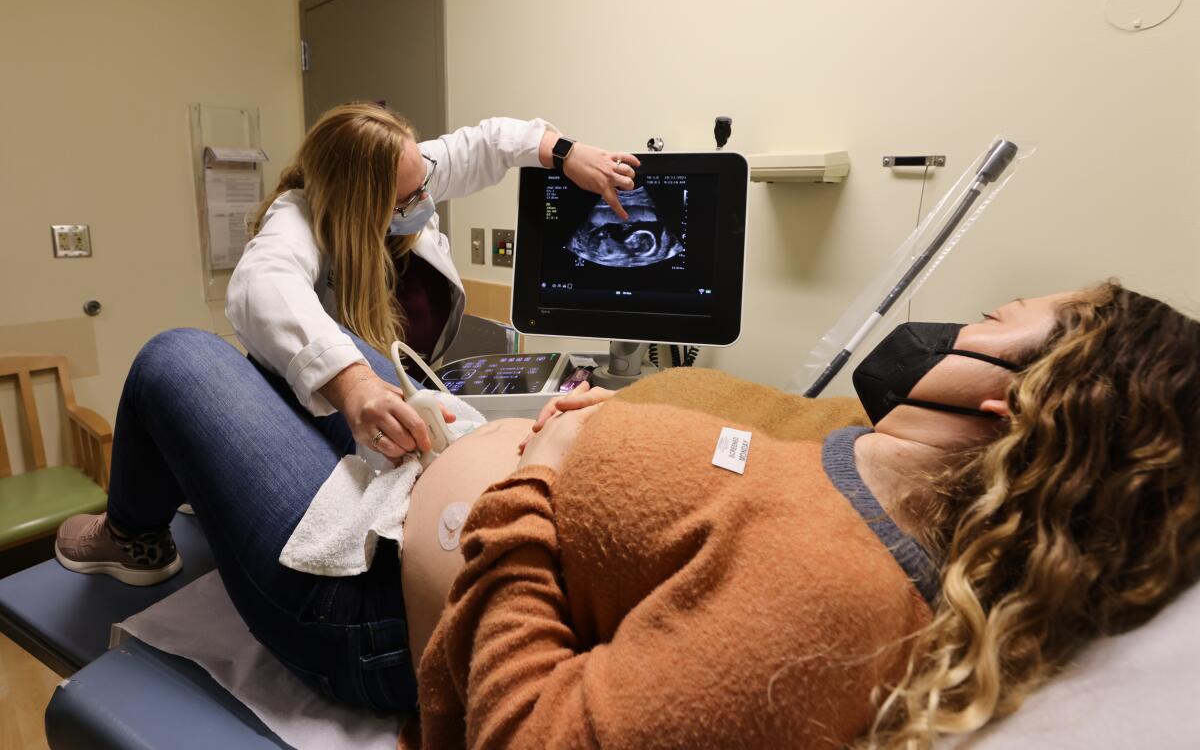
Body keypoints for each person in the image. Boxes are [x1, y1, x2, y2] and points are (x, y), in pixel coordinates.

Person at [53, 281, 1199, 748]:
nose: (978, 309)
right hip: (432, 480)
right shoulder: (865, 459)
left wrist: (533, 483)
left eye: (1005, 315)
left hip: (367, 595)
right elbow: (697, 501)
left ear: (1020, 400)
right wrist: (602, 439)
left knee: (182, 355)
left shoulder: (837, 597)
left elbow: (534, 732)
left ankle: (133, 537)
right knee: (318, 346)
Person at [227, 102, 640, 461]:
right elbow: (262, 286)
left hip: (411, 391)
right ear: (357, 210)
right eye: (407, 200)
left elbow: (490, 142)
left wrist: (567, 153)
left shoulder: (406, 172)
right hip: (346, 408)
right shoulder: (296, 220)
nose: (425, 201)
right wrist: (355, 386)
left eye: (424, 183)